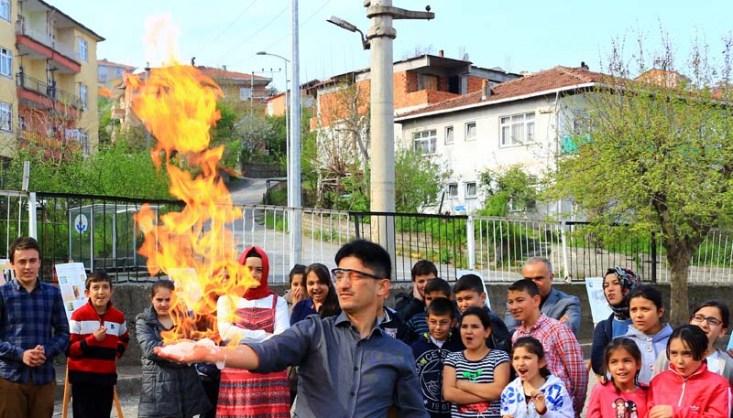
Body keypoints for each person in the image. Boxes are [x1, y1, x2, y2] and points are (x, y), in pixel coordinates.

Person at [155, 239, 428, 417]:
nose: (343, 284)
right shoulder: (314, 331)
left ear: (382, 287)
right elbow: (269, 351)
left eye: (355, 276)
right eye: (340, 274)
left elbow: (414, 413)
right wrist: (212, 353)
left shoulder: (398, 354)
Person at [216, 246, 290, 418]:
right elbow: (226, 333)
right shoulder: (226, 300)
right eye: (248, 269)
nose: (254, 274)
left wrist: (242, 336)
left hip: (271, 378)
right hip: (237, 378)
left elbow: (282, 337)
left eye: (259, 269)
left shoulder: (278, 301)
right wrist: (265, 335)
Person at [0, 236, 69, 418]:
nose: (28, 266)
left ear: (39, 262)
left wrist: (46, 350)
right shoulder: (2, 294)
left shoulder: (53, 294)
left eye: (32, 260)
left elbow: (64, 332)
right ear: (12, 264)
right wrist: (21, 354)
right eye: (22, 261)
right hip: (10, 378)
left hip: (43, 377)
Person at [507, 279, 587, 417]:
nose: (514, 306)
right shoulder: (516, 336)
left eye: (519, 300)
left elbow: (578, 374)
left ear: (536, 300)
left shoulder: (558, 329)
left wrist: (574, 408)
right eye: (510, 302)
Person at [136, 279, 211, 418]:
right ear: (151, 299)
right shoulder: (144, 321)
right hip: (159, 384)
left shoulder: (184, 318)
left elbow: (196, 344)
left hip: (186, 383)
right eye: (159, 300)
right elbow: (150, 349)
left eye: (168, 300)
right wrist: (179, 343)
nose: (163, 304)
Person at [67, 271, 130, 418]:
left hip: (105, 379)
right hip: (83, 381)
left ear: (111, 291)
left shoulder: (118, 317)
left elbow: (124, 338)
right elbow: (70, 349)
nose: (101, 292)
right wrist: (92, 340)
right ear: (87, 293)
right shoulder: (78, 316)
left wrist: (115, 354)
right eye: (95, 288)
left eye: (105, 287)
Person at [647, 325, 730, 418]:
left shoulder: (718, 385)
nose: (679, 361)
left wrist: (678, 413)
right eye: (674, 353)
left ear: (704, 354)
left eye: (687, 354)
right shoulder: (658, 381)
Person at [443, 306, 510, 418]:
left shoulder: (500, 357)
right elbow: (449, 394)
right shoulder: (452, 358)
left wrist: (463, 385)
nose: (468, 331)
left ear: (487, 331)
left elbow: (499, 391)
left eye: (475, 326)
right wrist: (487, 394)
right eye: (464, 326)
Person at [654, 300, 733, 386]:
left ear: (722, 331)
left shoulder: (728, 364)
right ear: (690, 321)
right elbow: (655, 387)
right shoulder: (667, 355)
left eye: (712, 321)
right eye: (698, 318)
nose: (703, 324)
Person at [411, 297, 462, 418]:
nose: (438, 327)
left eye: (443, 322)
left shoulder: (459, 348)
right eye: (433, 322)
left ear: (453, 322)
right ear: (427, 321)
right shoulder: (414, 349)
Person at [504, 257, 581, 337]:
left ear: (551, 277)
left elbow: (566, 334)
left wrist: (523, 333)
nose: (533, 283)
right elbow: (509, 333)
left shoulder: (568, 302)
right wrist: (556, 327)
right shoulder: (514, 304)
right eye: (528, 280)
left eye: (538, 278)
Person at [500, 336, 574, 418]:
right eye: (516, 358)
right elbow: (504, 412)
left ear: (541, 362)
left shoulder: (557, 390)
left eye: (527, 358)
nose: (520, 363)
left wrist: (544, 412)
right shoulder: (509, 391)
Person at [590, 267, 642, 377]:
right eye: (606, 286)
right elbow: (598, 366)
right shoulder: (604, 328)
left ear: (629, 285)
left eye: (616, 283)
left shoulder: (647, 323)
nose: (610, 289)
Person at [587, 338, 648, 418]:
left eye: (626, 361)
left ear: (638, 364)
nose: (621, 367)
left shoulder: (647, 392)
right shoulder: (601, 390)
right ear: (608, 366)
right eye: (614, 362)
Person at [623, 285, 671, 385]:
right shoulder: (621, 344)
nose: (638, 315)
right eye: (634, 310)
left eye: (645, 309)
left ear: (660, 311)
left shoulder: (676, 343)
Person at [453, 274, 511, 353]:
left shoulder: (492, 321)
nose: (464, 304)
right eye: (460, 300)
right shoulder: (459, 322)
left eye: (468, 298)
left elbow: (503, 350)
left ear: (483, 297)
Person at [406, 277, 452, 342]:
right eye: (429, 298)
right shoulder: (416, 321)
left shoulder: (456, 321)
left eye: (438, 299)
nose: (433, 302)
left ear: (449, 298)